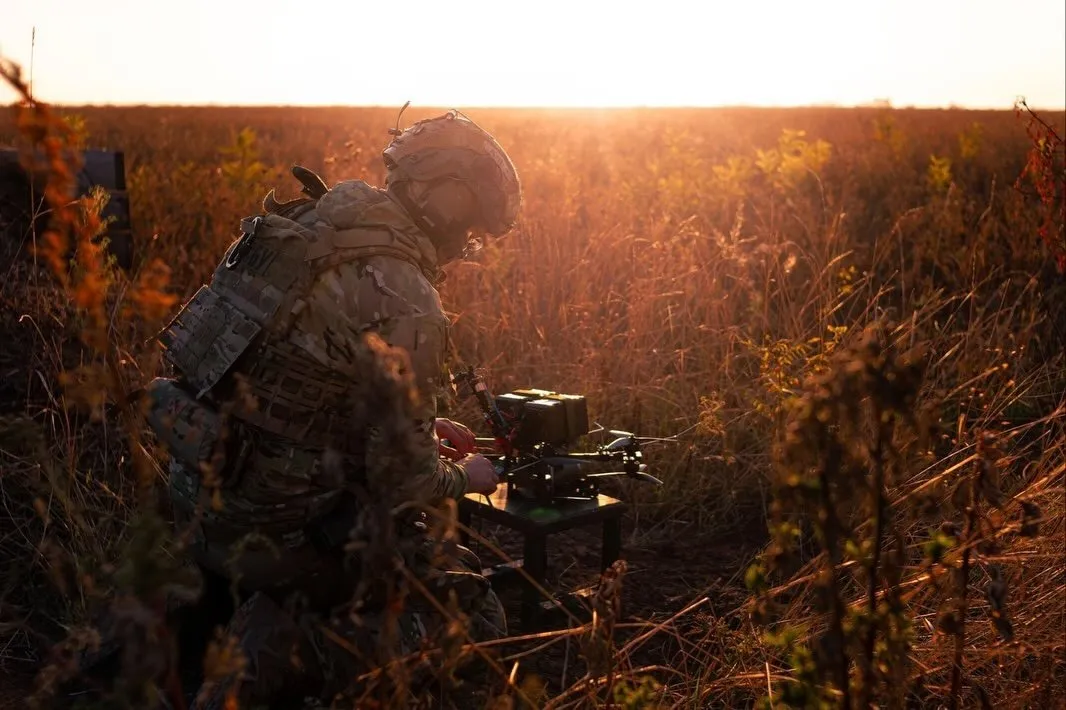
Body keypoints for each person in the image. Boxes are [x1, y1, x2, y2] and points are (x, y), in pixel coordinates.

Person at [144, 109, 522, 706]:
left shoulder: (298, 229)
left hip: (197, 509)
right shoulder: (407, 295)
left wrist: (410, 426)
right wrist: (462, 478)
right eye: (471, 226)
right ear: (449, 196)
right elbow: (404, 479)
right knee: (473, 610)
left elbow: (283, 381)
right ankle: (286, 649)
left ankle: (214, 615)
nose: (465, 244)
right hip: (279, 535)